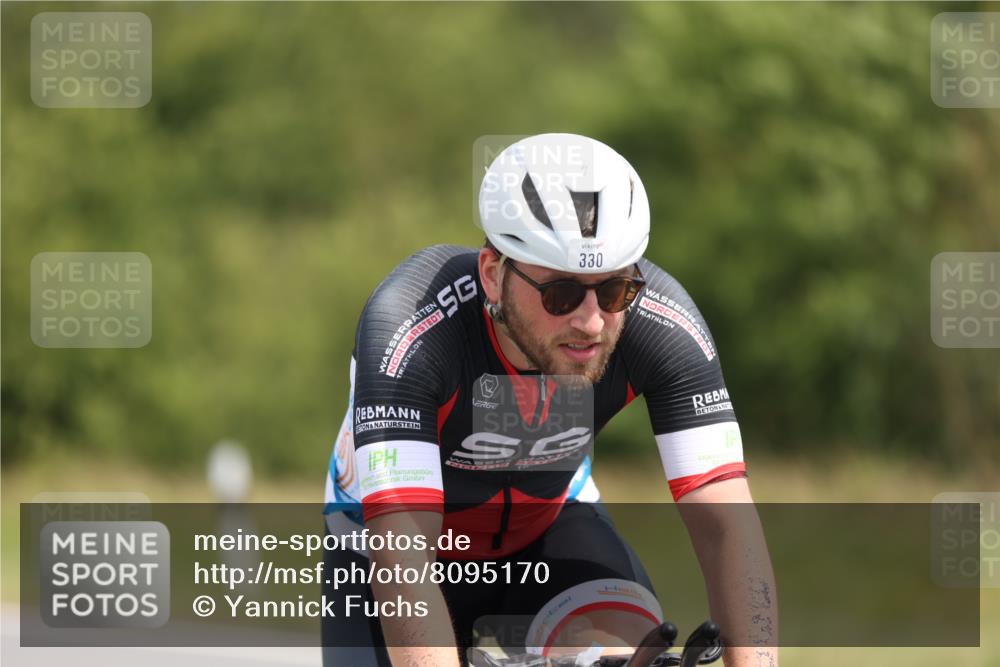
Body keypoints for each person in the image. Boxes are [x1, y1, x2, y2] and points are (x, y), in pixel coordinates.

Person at [322, 134, 778, 667]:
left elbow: (727, 523)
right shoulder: (412, 324)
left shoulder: (662, 323)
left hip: (549, 525)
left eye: (612, 292)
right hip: (393, 546)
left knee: (629, 653)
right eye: (560, 294)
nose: (589, 322)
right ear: (494, 275)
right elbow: (404, 545)